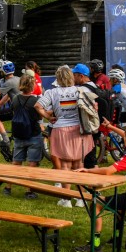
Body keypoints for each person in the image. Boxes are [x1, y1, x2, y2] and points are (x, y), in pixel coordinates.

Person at [74, 122, 126, 252]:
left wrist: (87, 170)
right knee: (118, 210)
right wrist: (111, 127)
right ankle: (116, 239)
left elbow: (108, 171)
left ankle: (95, 245)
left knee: (97, 204)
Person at [35, 65, 94, 208]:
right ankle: (81, 199)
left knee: (65, 166)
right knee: (79, 164)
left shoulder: (52, 92)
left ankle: (66, 199)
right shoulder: (81, 90)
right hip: (79, 130)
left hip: (60, 129)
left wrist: (48, 118)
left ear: (58, 78)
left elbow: (38, 106)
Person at [7, 73, 43, 198]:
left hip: (18, 134)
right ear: (32, 85)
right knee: (32, 164)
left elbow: (13, 110)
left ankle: (8, 187)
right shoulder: (36, 100)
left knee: (16, 162)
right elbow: (40, 116)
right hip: (34, 134)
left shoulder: (16, 99)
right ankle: (29, 190)